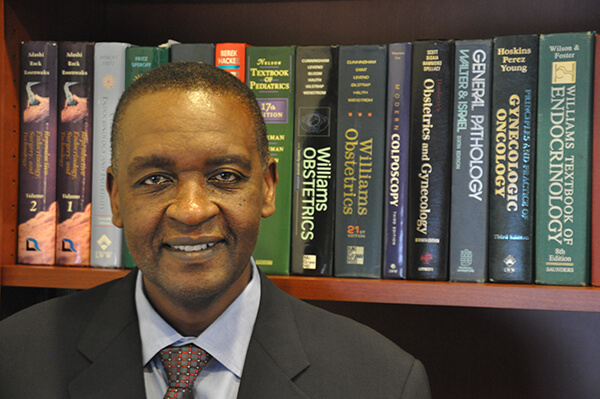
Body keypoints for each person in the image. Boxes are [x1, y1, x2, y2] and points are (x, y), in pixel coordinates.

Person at [0, 62, 431, 398]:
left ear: (267, 188)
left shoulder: (383, 382)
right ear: (115, 198)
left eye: (225, 176)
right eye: (155, 179)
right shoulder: (14, 359)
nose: (191, 211)